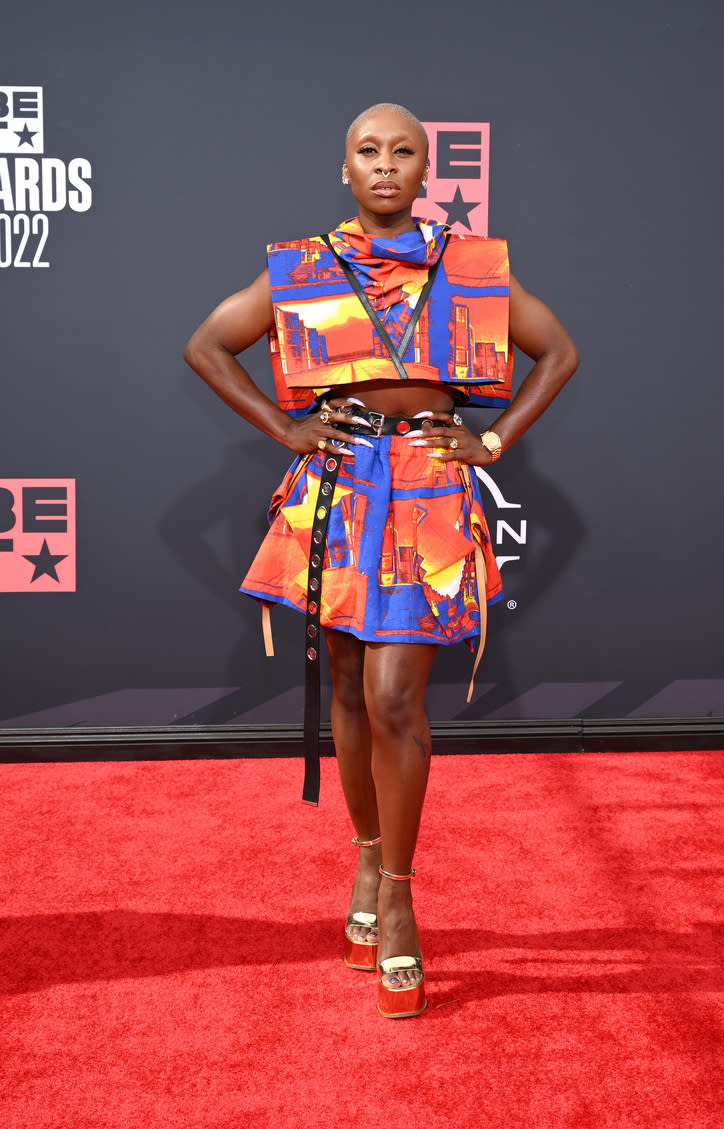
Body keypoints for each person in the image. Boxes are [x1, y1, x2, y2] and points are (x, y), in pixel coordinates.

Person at [184, 102, 579, 1018]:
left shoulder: (472, 264)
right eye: (369, 151)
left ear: (426, 166)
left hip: (433, 487)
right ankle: (365, 852)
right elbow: (208, 345)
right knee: (353, 686)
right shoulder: (306, 267)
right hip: (340, 486)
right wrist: (287, 426)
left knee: (398, 697)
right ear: (346, 169)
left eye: (404, 151)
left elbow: (557, 352)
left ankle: (397, 890)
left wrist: (495, 439)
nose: (386, 166)